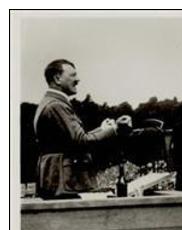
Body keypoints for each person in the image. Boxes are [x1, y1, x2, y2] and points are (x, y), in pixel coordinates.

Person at [33, 59, 131, 198]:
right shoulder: (56, 105)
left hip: (57, 179)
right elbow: (81, 140)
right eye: (73, 75)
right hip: (62, 181)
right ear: (57, 78)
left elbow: (72, 139)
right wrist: (114, 129)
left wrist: (103, 129)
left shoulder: (51, 103)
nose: (78, 79)